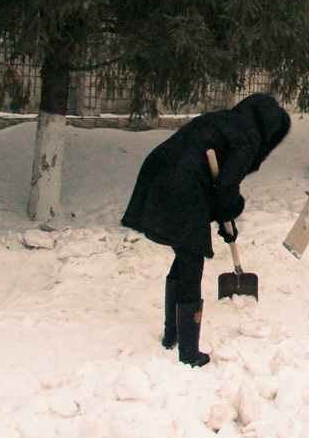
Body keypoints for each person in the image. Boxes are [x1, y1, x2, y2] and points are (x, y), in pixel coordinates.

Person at [121, 94, 291, 367]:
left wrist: (226, 220)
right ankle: (188, 352)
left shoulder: (222, 120)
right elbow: (225, 187)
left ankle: (172, 335)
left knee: (184, 251)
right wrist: (230, 209)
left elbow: (211, 177)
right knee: (191, 258)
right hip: (183, 183)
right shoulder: (248, 138)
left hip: (159, 171)